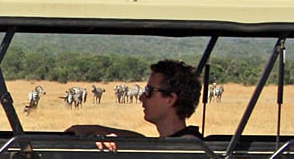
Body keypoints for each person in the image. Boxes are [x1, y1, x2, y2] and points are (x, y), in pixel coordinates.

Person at [68, 60, 204, 143]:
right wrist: (96, 130)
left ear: (170, 99)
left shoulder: (187, 147)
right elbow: (143, 140)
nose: (141, 97)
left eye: (149, 91)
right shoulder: (177, 141)